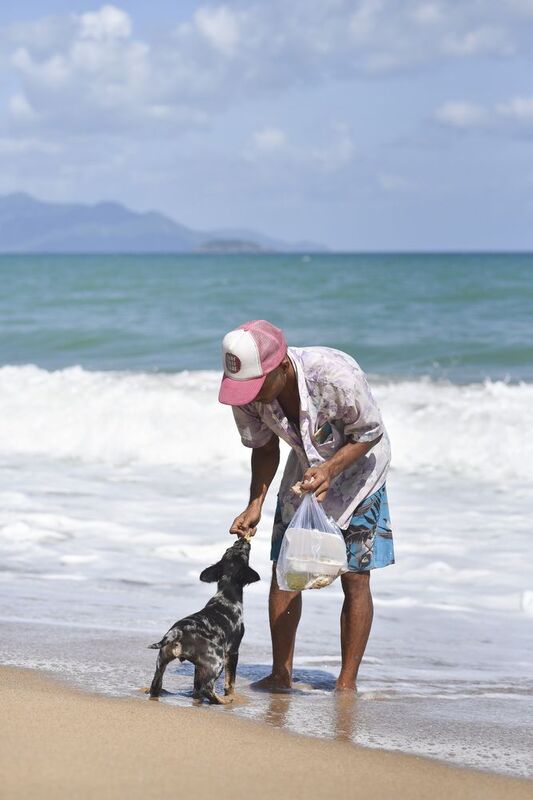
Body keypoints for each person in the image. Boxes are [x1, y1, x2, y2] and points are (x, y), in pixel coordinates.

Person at [218, 320, 393, 692]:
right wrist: (255, 503)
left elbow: (370, 431)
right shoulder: (247, 392)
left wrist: (330, 469)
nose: (251, 395)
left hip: (360, 469)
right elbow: (265, 448)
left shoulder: (334, 375)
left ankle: (346, 683)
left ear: (281, 366)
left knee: (356, 575)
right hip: (305, 466)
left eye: (257, 385)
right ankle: (281, 674)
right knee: (286, 568)